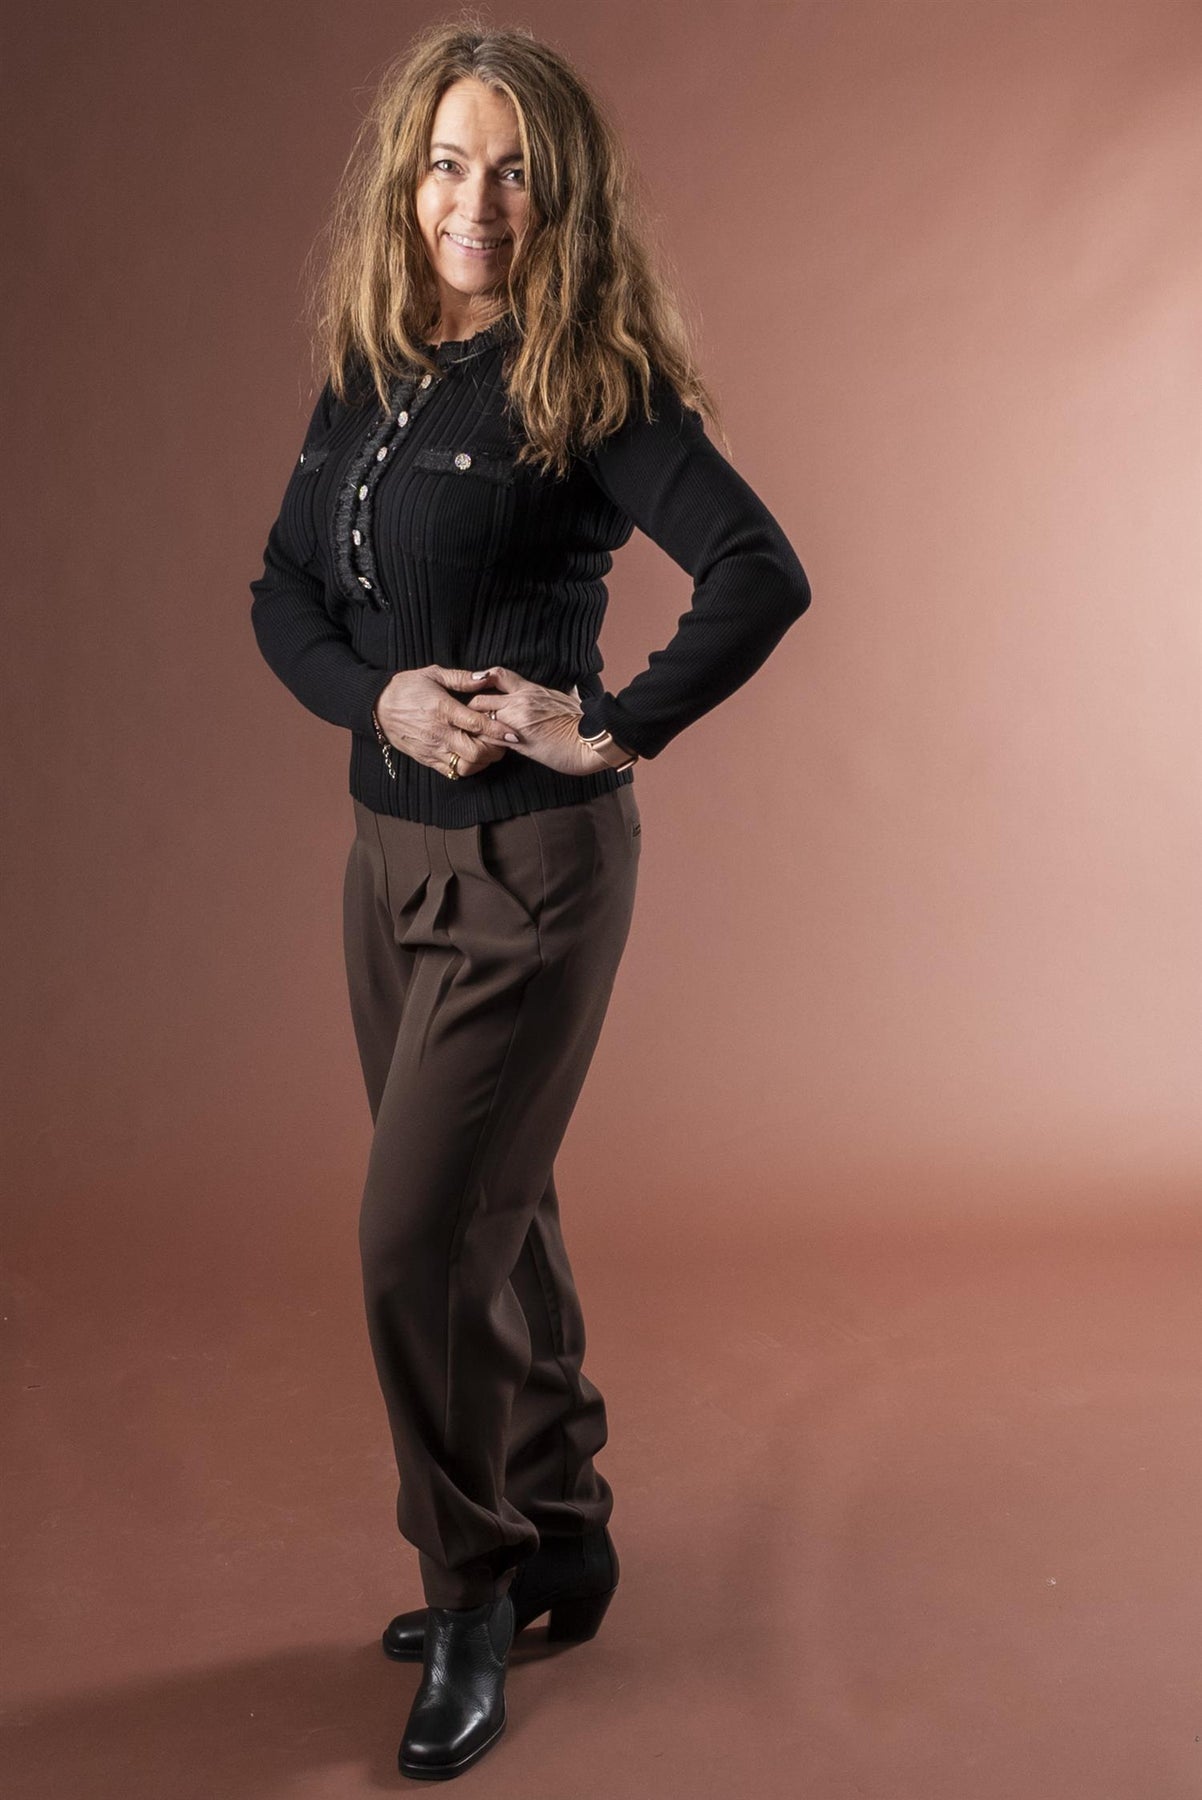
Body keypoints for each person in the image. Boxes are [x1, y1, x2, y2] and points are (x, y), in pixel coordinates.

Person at [249, 19, 811, 1782]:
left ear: (560, 195)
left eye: (509, 171)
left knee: (414, 1242)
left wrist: (613, 723)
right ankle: (564, 1529)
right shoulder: (372, 367)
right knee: (500, 1211)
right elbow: (280, 592)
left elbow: (759, 570)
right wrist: (378, 701)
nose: (472, 203)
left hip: (531, 877)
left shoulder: (591, 381)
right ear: (401, 183)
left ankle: (474, 1588)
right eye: (444, 164)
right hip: (385, 861)